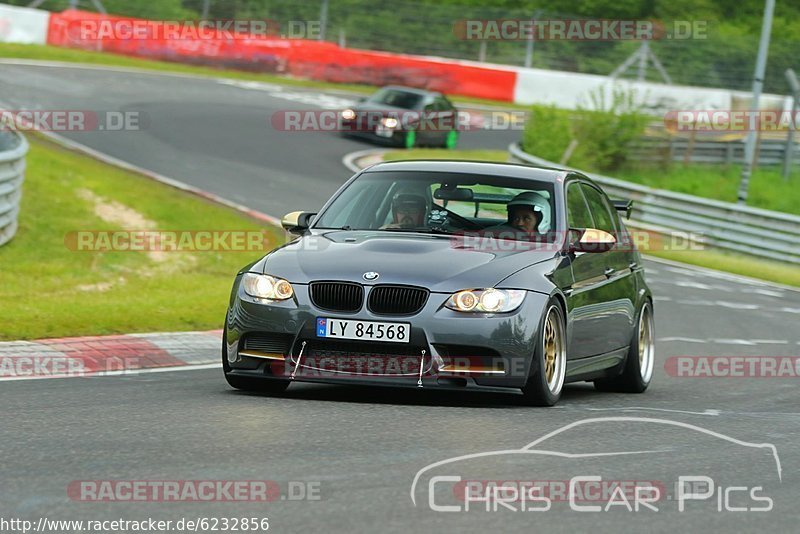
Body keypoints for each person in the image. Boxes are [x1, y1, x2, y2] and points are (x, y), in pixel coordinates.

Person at [484, 191, 549, 239]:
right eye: (516, 218)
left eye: (526, 218)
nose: (520, 223)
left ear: (541, 221)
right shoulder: (498, 237)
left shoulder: (546, 245)